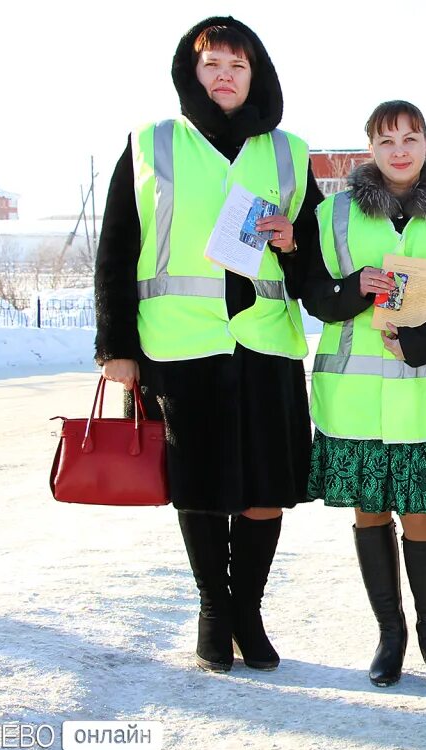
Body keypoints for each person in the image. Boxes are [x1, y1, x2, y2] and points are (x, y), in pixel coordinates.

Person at [93, 17, 323, 673]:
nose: (224, 75)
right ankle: (214, 612)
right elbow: (115, 250)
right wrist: (116, 346)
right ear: (191, 73)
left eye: (237, 65)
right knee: (199, 484)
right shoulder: (151, 144)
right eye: (212, 64)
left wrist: (293, 240)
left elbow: (309, 270)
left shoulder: (289, 152)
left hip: (265, 344)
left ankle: (248, 609)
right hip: (181, 345)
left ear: (258, 76)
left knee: (267, 486)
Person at [303, 101, 426, 690]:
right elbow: (315, 297)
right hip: (354, 399)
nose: (399, 150)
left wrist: (423, 344)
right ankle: (390, 635)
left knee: (421, 515)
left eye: (410, 137)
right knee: (370, 511)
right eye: (386, 140)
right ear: (370, 149)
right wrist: (354, 289)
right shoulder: (333, 214)